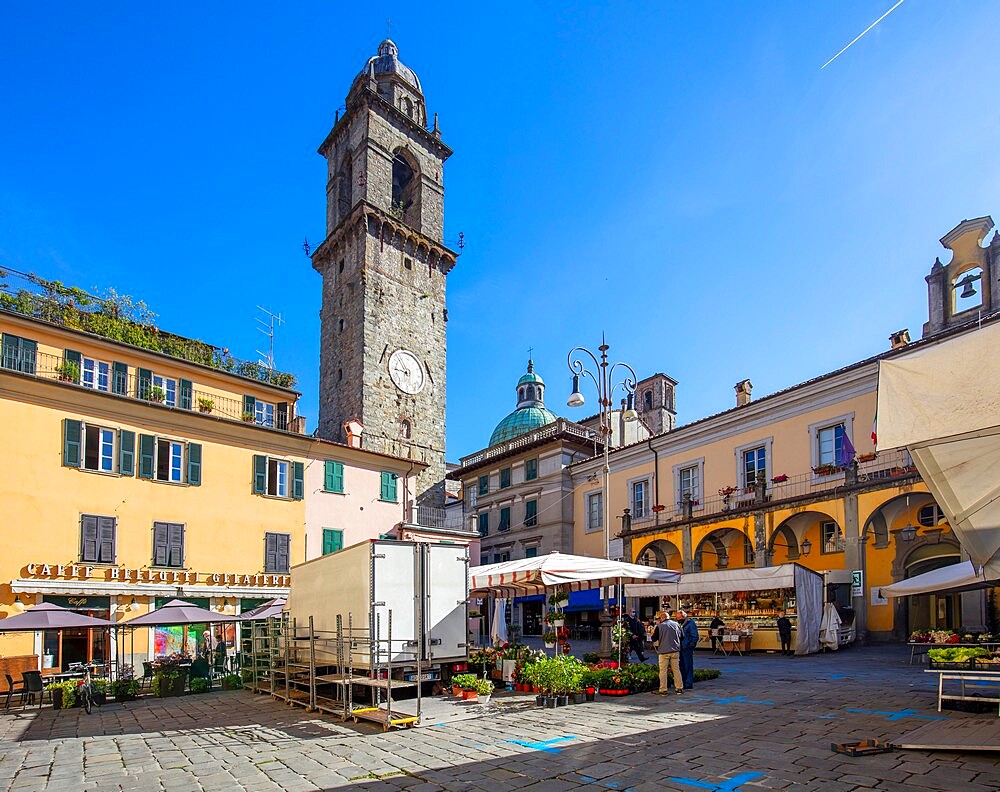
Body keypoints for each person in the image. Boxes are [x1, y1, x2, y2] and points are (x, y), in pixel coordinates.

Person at [652, 611, 683, 695]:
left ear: (662, 618)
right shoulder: (677, 625)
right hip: (675, 650)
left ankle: (663, 690)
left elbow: (654, 639)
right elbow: (682, 637)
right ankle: (679, 688)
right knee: (676, 670)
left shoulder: (660, 626)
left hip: (664, 651)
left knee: (663, 671)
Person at [678, 610, 699, 689]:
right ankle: (682, 681)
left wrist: (691, 645)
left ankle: (688, 683)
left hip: (687, 648)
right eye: (677, 618)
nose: (678, 619)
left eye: (679, 618)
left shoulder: (690, 623)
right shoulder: (679, 624)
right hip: (679, 647)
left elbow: (695, 636)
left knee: (688, 665)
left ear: (684, 617)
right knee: (681, 666)